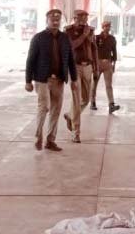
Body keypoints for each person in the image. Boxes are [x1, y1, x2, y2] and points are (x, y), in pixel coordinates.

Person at [25, 9, 78, 152]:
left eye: (58, 20)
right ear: (47, 21)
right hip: (42, 79)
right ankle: (38, 137)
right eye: (52, 20)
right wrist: (28, 81)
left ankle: (50, 140)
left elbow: (71, 60)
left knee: (56, 110)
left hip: (59, 80)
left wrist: (74, 79)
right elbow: (30, 60)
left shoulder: (65, 38)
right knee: (44, 107)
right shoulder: (38, 38)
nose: (55, 22)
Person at [64, 10, 98, 143]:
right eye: (81, 18)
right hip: (74, 67)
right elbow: (71, 46)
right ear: (75, 18)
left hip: (88, 67)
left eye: (86, 18)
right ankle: (76, 132)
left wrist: (96, 67)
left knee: (86, 99)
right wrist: (84, 35)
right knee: (76, 99)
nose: (84, 20)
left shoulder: (90, 30)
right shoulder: (68, 31)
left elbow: (94, 49)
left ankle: (70, 115)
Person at [92, 21, 120, 114]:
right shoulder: (97, 38)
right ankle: (92, 102)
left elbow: (114, 52)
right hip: (98, 62)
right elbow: (93, 51)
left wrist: (114, 64)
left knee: (109, 85)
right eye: (105, 26)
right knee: (94, 84)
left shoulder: (112, 38)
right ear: (102, 27)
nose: (107, 28)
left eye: (109, 26)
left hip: (108, 63)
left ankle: (111, 104)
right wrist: (93, 64)